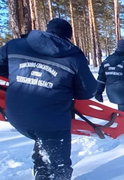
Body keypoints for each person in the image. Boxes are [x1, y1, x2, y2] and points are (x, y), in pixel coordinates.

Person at [0, 18, 97, 180]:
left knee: (42, 138)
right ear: (68, 36)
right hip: (52, 121)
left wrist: (22, 77)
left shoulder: (15, 45)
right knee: (59, 164)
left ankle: (41, 169)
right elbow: (87, 91)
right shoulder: (73, 56)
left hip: (16, 116)